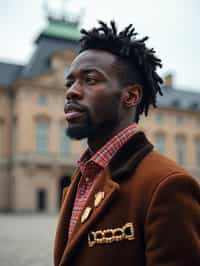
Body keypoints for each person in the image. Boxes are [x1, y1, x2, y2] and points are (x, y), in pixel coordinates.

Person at [54, 21, 200, 266]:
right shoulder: (82, 177)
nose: (71, 92)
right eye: (70, 83)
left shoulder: (168, 185)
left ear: (131, 96)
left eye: (89, 80)